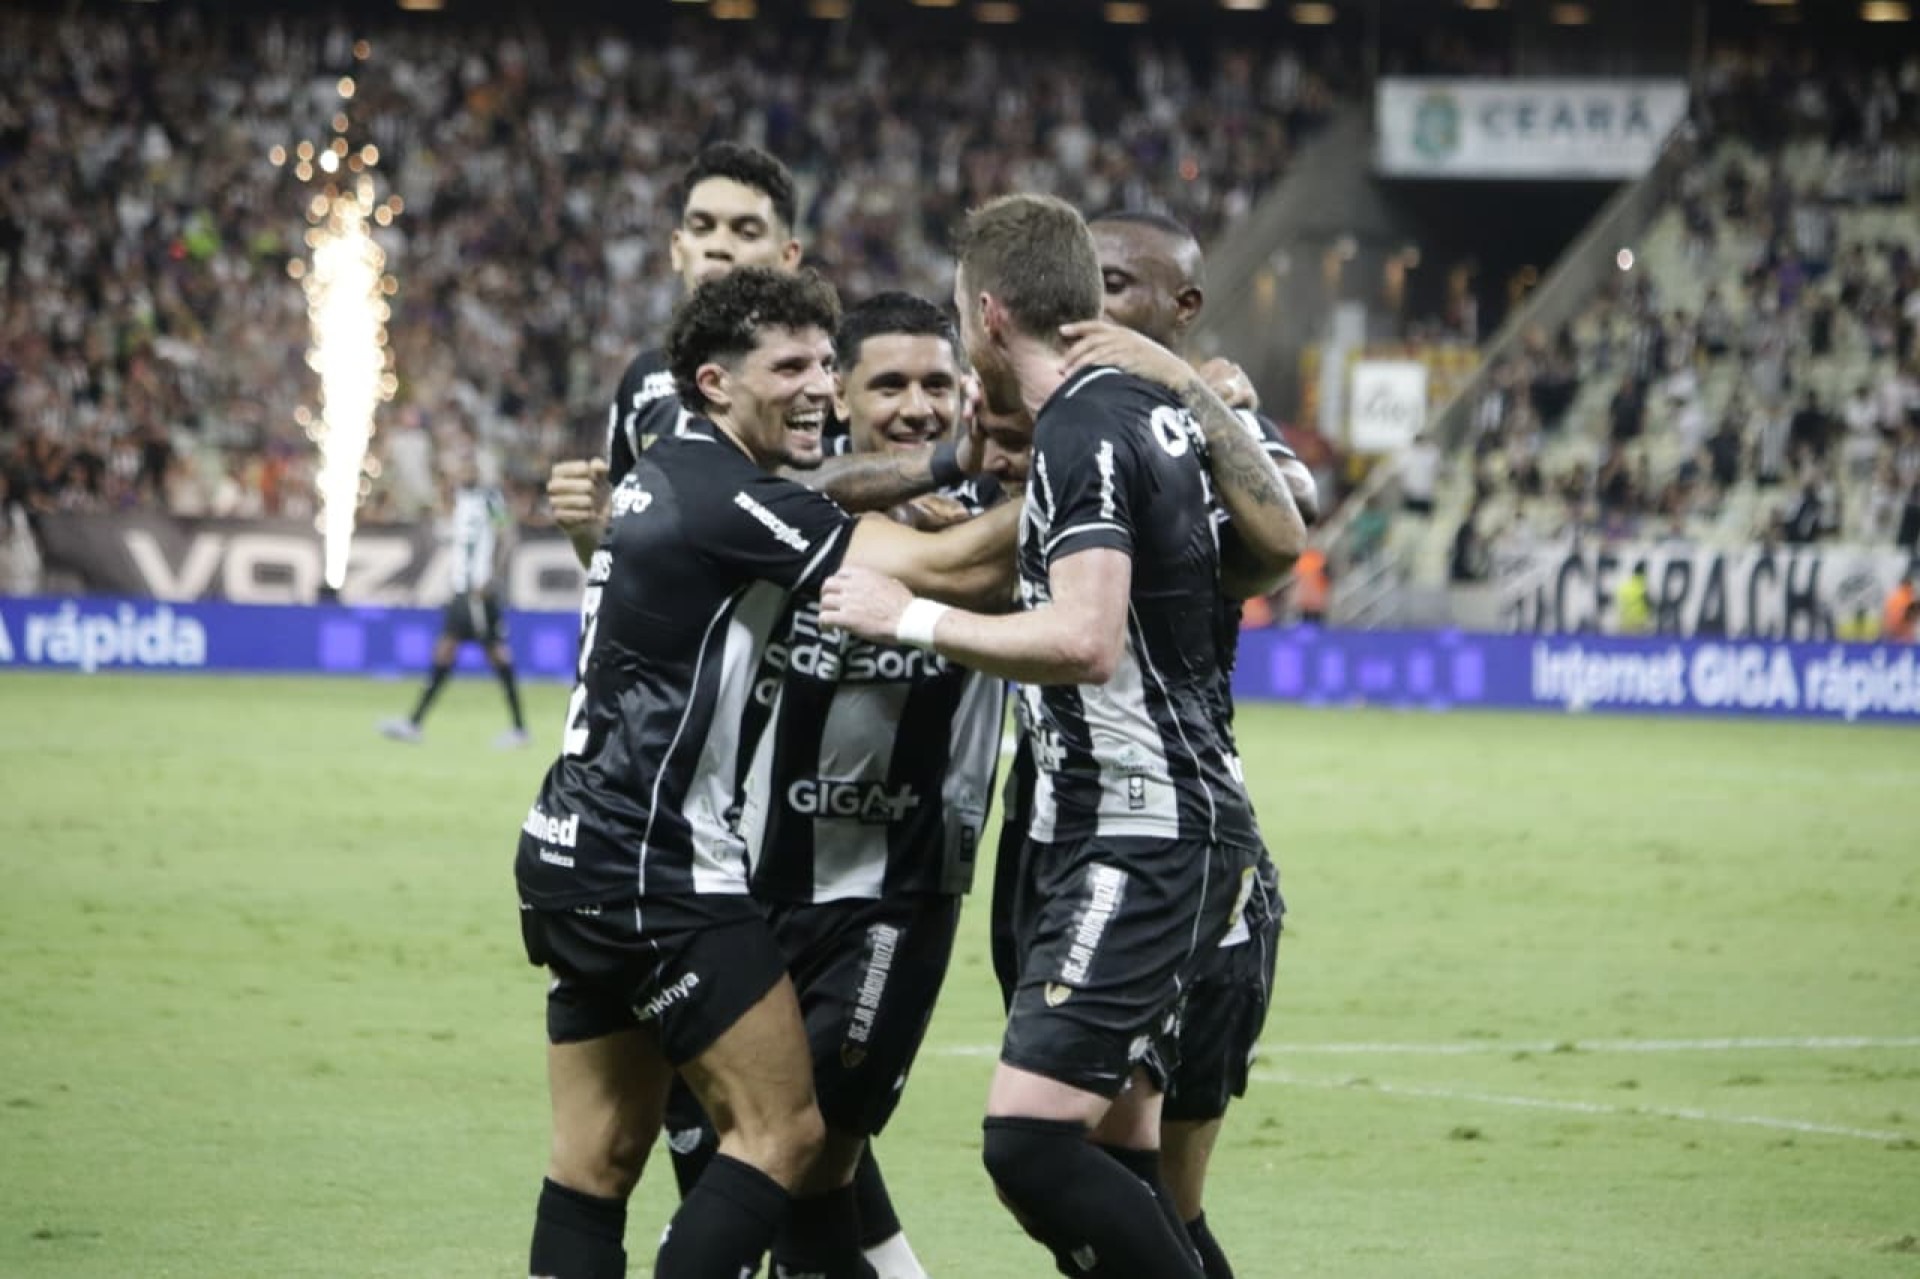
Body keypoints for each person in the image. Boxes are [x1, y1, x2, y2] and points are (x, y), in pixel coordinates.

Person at [819, 194, 1305, 1279]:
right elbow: (1280, 533)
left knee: (1032, 1144)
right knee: (1113, 1157)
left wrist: (909, 619)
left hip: (1145, 825)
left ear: (988, 315)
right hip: (1116, 825)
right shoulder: (1146, 415)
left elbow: (1085, 639)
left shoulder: (1088, 422)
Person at [514, 267, 1020, 1279]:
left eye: (824, 365)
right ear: (713, 381)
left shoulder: (667, 470)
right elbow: (951, 569)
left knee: (595, 1161)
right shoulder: (725, 494)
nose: (817, 388)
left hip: (567, 854)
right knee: (786, 1134)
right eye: (788, 366)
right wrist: (1078, 473)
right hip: (663, 867)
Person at [739, 292, 1025, 1279]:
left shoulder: (1003, 519)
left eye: (938, 384)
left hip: (900, 897)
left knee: (806, 1146)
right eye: (889, 384)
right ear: (842, 394)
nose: (915, 404)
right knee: (789, 1149)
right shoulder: (787, 511)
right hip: (758, 885)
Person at [551, 142, 988, 571]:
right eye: (702, 227)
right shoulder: (643, 385)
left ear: (788, 256)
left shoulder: (817, 381)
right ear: (676, 247)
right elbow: (622, 565)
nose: (718, 246)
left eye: (745, 231)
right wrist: (590, 534)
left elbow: (848, 476)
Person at [379, 450, 528, 747]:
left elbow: (508, 536)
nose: (464, 473)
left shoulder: (488, 499)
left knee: (495, 653)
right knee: (446, 650)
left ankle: (519, 729)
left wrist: (492, 576)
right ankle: (413, 723)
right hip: (462, 590)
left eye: (468, 467)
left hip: (478, 590)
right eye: (460, 468)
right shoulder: (459, 500)